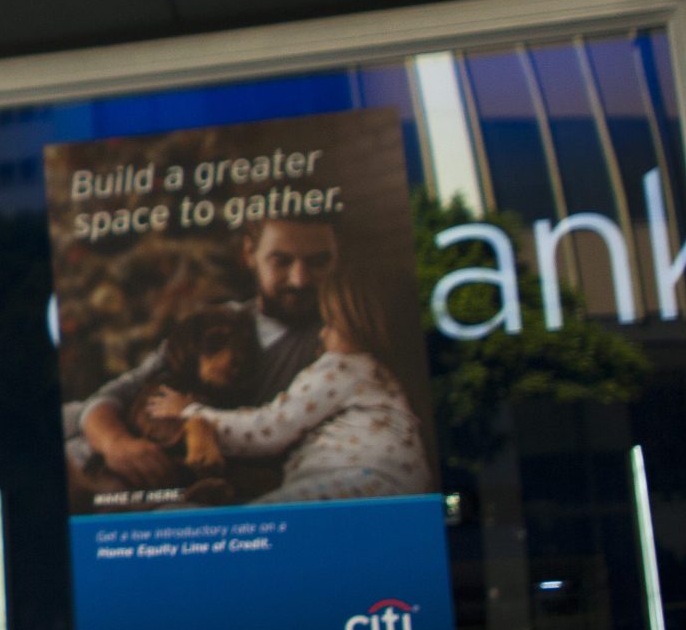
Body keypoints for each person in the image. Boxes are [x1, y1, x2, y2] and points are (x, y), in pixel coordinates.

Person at [72, 215, 342, 497]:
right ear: (250, 254)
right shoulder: (217, 322)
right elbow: (111, 397)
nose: (300, 280)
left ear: (337, 259)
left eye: (318, 262)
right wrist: (116, 444)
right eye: (281, 261)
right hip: (120, 459)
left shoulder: (340, 340)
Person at [149, 266, 431, 503]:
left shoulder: (340, 368)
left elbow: (267, 430)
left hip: (356, 480)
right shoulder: (389, 376)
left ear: (358, 324)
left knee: (255, 524)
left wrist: (191, 412)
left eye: (330, 324)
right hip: (403, 488)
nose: (322, 335)